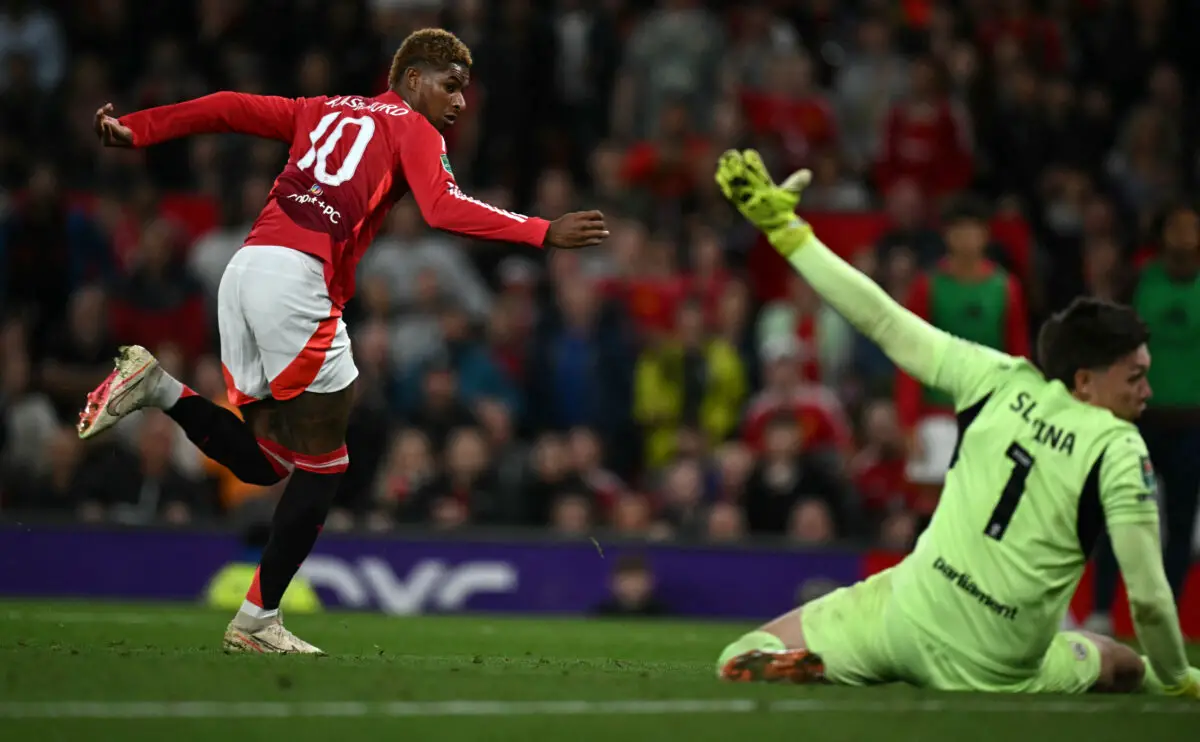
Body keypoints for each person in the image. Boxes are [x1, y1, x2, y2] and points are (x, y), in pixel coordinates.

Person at [74, 28, 608, 655]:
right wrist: (541, 231)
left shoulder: (320, 109)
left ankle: (156, 385)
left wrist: (138, 127)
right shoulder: (416, 129)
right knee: (328, 465)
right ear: (411, 79)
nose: (461, 102)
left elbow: (226, 104)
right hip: (298, 281)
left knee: (269, 461)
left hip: (244, 270)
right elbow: (442, 208)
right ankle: (256, 621)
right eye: (451, 85)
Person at [711, 149, 1200, 697]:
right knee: (1121, 665)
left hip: (906, 618)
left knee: (743, 655)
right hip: (999, 663)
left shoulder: (996, 378)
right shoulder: (1117, 445)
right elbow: (1151, 599)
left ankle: (819, 662)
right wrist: (1179, 677)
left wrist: (786, 231)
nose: (1147, 392)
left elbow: (879, 317)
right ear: (1085, 381)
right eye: (1134, 377)